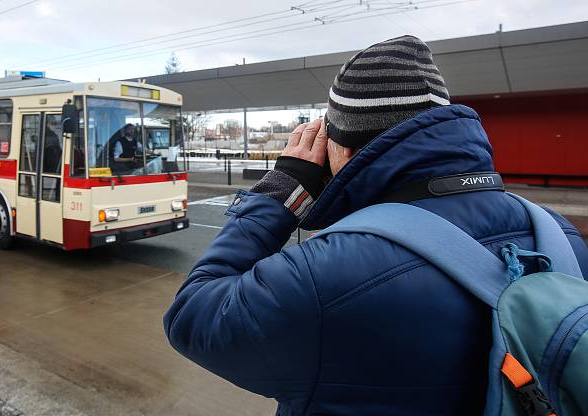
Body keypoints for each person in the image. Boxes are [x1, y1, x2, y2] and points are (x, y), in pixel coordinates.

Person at [163, 35, 588, 415]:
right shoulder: (559, 233)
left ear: (343, 151)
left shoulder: (325, 274)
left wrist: (281, 191)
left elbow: (193, 316)